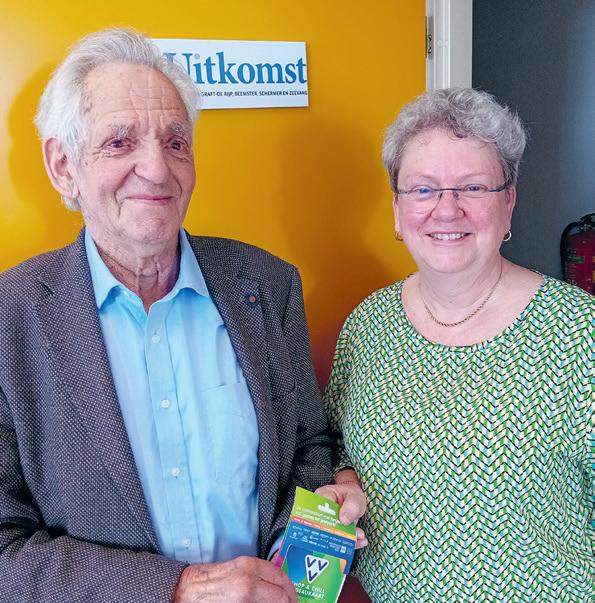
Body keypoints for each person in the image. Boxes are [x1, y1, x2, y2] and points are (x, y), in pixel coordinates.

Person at [0, 28, 365, 603]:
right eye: (120, 142)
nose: (157, 169)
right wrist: (178, 588)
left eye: (175, 142)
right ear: (63, 165)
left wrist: (297, 554)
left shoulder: (267, 286)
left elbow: (307, 447)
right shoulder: (11, 318)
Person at [324, 88, 593, 602]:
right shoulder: (368, 324)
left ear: (509, 203)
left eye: (472, 187)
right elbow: (334, 443)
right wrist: (345, 480)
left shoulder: (579, 333)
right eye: (423, 189)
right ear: (398, 209)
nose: (446, 210)